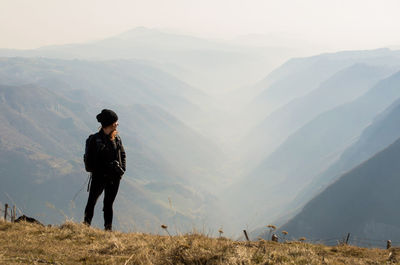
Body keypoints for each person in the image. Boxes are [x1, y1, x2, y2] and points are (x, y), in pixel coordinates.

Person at [84, 109, 126, 231]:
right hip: (99, 177)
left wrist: (121, 169)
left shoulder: (117, 139)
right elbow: (91, 162)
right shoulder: (95, 140)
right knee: (92, 202)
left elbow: (123, 155)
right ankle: (85, 226)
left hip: (114, 178)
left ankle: (108, 230)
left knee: (108, 204)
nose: (117, 124)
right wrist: (107, 167)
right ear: (111, 124)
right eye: (116, 123)